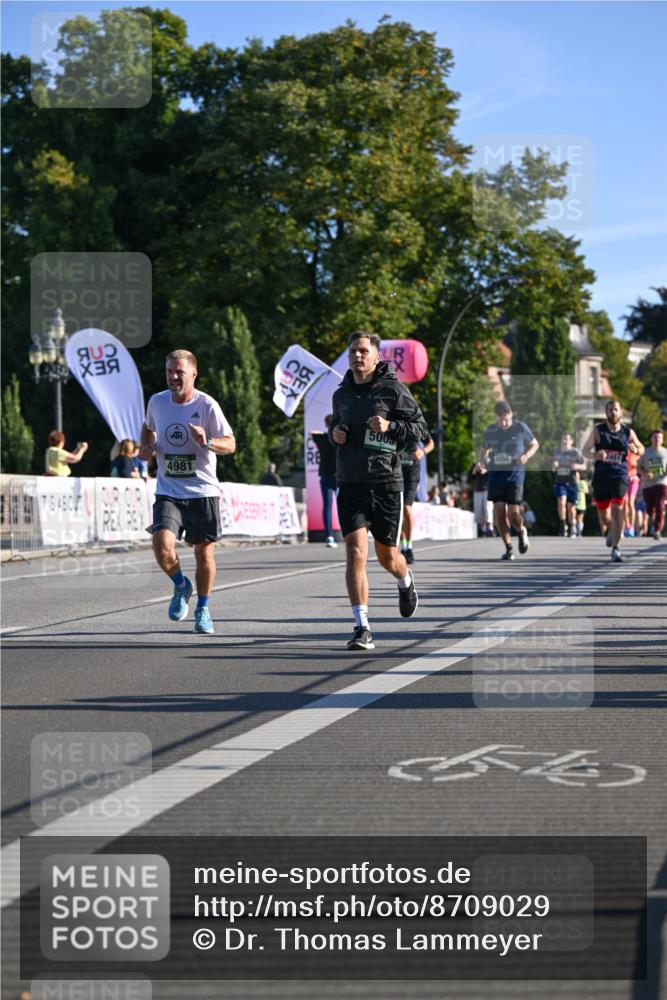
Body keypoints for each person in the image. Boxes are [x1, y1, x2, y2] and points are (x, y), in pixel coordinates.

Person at [330, 331, 426, 650]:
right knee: (356, 553)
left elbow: (420, 429)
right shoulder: (341, 395)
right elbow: (336, 426)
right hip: (350, 483)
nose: (357, 356)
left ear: (376, 356)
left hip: (385, 484)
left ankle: (405, 580)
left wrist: (391, 426)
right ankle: (362, 627)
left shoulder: (393, 390)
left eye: (363, 351)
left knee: (388, 557)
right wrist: (336, 434)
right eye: (352, 352)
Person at [140, 349, 236, 634]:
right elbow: (147, 428)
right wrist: (147, 445)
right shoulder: (157, 402)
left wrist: (207, 442)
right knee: (161, 546)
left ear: (193, 374)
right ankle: (181, 585)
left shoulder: (207, 405)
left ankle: (203, 609)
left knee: (204, 555)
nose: (173, 377)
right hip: (168, 490)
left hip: (202, 491)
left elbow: (230, 444)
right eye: (169, 371)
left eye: (179, 372)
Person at [473, 401, 539, 561]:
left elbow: (534, 444)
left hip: (515, 476)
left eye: (506, 419)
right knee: (500, 512)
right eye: (500, 420)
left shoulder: (520, 427)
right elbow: (484, 450)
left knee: (513, 513)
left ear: (511, 414)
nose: (503, 423)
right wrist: (481, 463)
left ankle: (521, 530)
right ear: (496, 417)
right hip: (496, 475)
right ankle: (508, 548)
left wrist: (526, 455)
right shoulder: (490, 431)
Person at [583, 399, 644, 562]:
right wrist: (596, 455)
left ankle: (616, 548)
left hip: (620, 476)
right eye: (610, 410)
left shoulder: (628, 432)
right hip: (601, 478)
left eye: (616, 409)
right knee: (604, 516)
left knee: (617, 509)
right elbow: (584, 451)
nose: (613, 412)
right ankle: (611, 529)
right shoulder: (598, 431)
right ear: (606, 413)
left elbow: (642, 448)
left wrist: (635, 449)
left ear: (620, 412)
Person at [399, 432, 434, 563]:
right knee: (398, 512)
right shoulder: (391, 422)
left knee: (406, 508)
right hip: (396, 472)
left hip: (412, 474)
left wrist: (423, 451)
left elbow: (431, 443)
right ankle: (403, 546)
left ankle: (409, 547)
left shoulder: (416, 424)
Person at [310, 415, 339, 547]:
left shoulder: (321, 438)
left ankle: (329, 536)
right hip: (338, 477)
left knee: (327, 506)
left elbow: (312, 433)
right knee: (343, 505)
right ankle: (347, 533)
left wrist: (323, 432)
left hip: (327, 477)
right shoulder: (339, 438)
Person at [552, 433, 586, 537]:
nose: (564, 442)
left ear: (571, 441)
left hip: (572, 482)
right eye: (563, 439)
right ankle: (563, 525)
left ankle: (571, 526)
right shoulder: (557, 452)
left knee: (571, 507)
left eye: (567, 439)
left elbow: (584, 466)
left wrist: (578, 466)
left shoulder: (575, 452)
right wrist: (554, 465)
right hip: (560, 481)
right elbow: (553, 467)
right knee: (561, 502)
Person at [638, 429, 667, 540]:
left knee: (660, 505)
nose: (657, 439)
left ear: (662, 440)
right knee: (650, 508)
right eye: (655, 437)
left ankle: (657, 530)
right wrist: (645, 474)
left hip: (662, 483)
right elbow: (638, 467)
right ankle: (651, 517)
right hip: (648, 484)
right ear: (651, 439)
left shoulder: (665, 452)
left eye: (659, 437)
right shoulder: (645, 452)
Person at [469, 461, 493, 537]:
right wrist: (474, 471)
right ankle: (481, 529)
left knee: (487, 509)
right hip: (477, 490)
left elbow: (494, 474)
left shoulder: (489, 463)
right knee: (478, 509)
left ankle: (489, 528)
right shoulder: (474, 465)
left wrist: (486, 470)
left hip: (487, 489)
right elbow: (469, 479)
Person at [624, 446, 641, 537]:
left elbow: (641, 465)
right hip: (624, 480)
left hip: (634, 480)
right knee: (625, 503)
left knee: (631, 502)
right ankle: (627, 525)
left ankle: (631, 526)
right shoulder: (623, 453)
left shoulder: (636, 455)